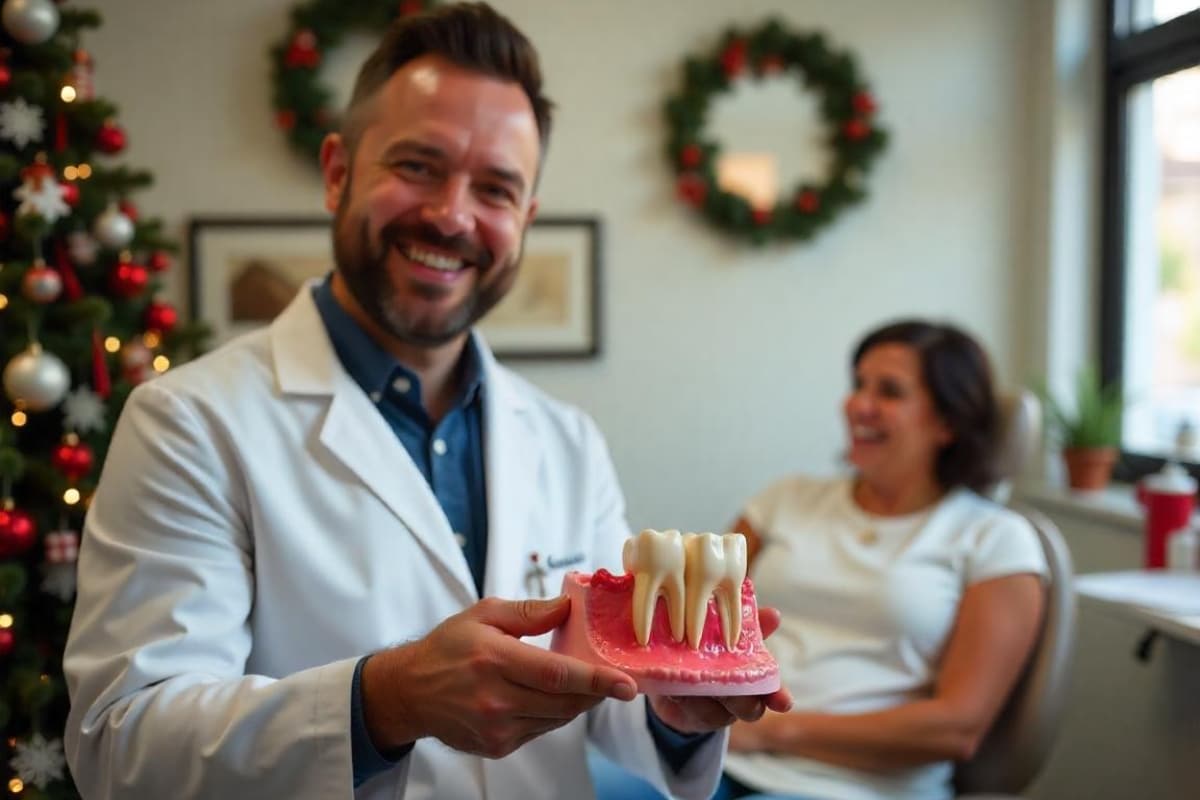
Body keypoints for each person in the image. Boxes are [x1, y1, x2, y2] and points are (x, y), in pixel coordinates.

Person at [62, 5, 789, 799]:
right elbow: (123, 747)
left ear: (525, 219)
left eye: (496, 189)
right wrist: (387, 701)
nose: (452, 216)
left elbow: (609, 694)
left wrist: (679, 708)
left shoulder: (566, 440)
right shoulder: (189, 424)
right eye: (417, 166)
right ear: (337, 172)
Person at [710, 319, 1048, 800]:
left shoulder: (995, 539)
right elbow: (700, 623)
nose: (857, 405)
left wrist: (773, 731)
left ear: (948, 422)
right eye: (858, 385)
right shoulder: (784, 500)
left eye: (889, 391)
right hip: (715, 753)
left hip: (854, 787)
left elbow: (957, 727)